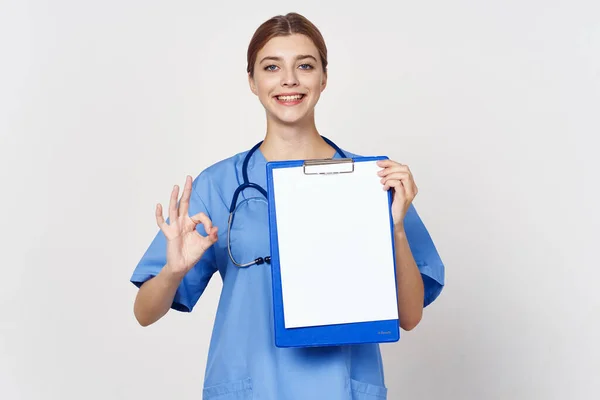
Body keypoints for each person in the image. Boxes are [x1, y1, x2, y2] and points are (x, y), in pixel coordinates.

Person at [130, 12, 445, 400]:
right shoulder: (218, 185)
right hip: (250, 386)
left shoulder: (374, 181)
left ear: (323, 78)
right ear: (252, 81)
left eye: (305, 65)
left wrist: (395, 227)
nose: (289, 80)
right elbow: (144, 312)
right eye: (272, 66)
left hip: (341, 388)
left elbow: (410, 317)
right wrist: (173, 272)